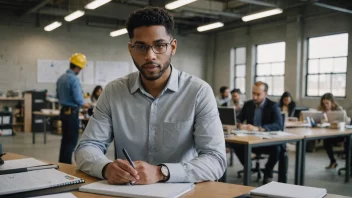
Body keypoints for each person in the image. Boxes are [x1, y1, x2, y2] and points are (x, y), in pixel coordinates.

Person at [74, 7, 226, 185]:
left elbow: (215, 159)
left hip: (182, 190)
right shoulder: (114, 92)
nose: (150, 56)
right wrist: (106, 168)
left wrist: (162, 172)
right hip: (128, 191)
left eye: (159, 45)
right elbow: (86, 147)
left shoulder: (199, 92)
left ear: (173, 47)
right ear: (131, 49)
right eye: (141, 47)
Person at [235, 81, 283, 184]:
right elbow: (238, 118)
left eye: (258, 94)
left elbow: (279, 125)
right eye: (253, 93)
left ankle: (268, 170)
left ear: (265, 94)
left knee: (278, 148)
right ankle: (247, 166)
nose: (255, 97)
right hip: (250, 140)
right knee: (234, 144)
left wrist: (259, 128)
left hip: (266, 141)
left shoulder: (273, 106)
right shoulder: (248, 104)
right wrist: (239, 124)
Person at [56, 53, 91, 164]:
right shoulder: (73, 79)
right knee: (71, 141)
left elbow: (58, 95)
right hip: (71, 113)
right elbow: (78, 99)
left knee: (65, 140)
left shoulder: (61, 78)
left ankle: (62, 164)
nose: (80, 70)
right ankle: (66, 165)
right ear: (77, 67)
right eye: (80, 68)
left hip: (63, 111)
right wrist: (85, 104)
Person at [318, 93, 350, 169]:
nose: (325, 105)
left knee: (347, 143)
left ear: (332, 103)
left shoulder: (339, 110)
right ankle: (333, 161)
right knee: (326, 142)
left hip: (342, 134)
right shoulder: (322, 111)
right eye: (323, 103)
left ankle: (349, 166)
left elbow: (346, 122)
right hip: (330, 133)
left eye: (327, 103)